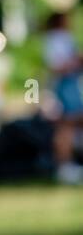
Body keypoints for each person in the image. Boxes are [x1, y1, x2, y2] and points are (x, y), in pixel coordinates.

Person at [43, 11, 83, 184]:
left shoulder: (61, 37)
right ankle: (65, 167)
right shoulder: (57, 38)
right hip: (65, 86)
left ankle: (69, 164)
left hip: (70, 85)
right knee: (66, 125)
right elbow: (57, 65)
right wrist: (77, 61)